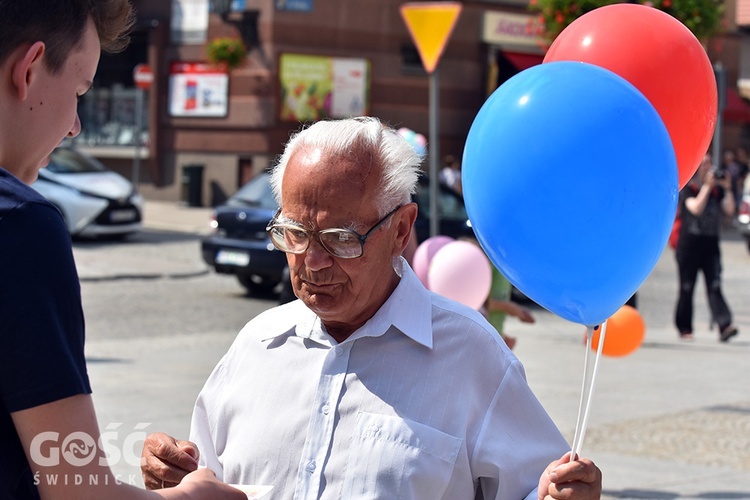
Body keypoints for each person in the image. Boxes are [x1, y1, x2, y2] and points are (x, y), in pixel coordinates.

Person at [141, 117, 602, 499]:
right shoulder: (256, 346)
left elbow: (537, 489)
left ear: (402, 230)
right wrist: (172, 474)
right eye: (295, 234)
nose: (313, 262)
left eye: (342, 239)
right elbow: (202, 478)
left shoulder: (470, 355)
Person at [0, 1, 244, 498]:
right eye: (79, 91)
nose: (75, 127)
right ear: (27, 70)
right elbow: (76, 489)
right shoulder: (21, 225)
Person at [675, 153, 738, 342]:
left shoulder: (717, 191)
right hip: (689, 246)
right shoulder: (690, 187)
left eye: (709, 164)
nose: (707, 168)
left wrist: (726, 189)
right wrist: (707, 188)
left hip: (710, 246)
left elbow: (729, 210)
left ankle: (724, 325)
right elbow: (695, 208)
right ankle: (684, 327)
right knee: (687, 287)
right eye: (703, 164)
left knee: (715, 285)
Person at [484, 265, 535, 351]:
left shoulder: (504, 266)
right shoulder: (488, 260)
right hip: (483, 342)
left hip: (493, 340)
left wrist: (501, 337)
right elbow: (478, 305)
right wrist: (511, 308)